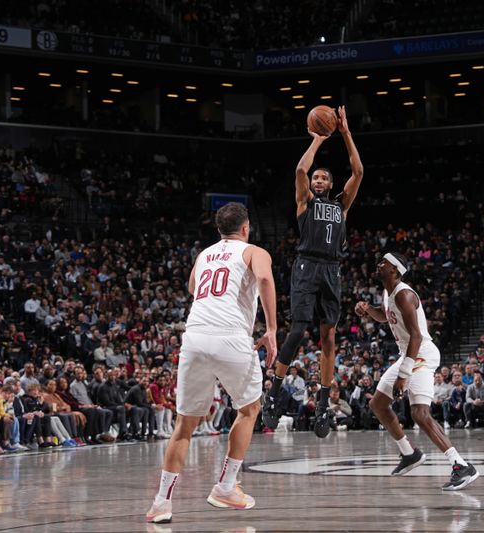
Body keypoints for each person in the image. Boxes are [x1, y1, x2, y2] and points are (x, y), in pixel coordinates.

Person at [147, 202, 277, 523]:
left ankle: (161, 503)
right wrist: (272, 329)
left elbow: (193, 287)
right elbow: (263, 279)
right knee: (249, 409)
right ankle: (226, 485)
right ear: (246, 228)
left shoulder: (204, 254)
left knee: (184, 425)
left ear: (219, 230)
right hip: (230, 335)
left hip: (195, 335)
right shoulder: (254, 251)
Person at [263, 105, 364, 438]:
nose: (318, 179)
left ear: (331, 184)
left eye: (324, 177)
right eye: (317, 177)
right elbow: (300, 171)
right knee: (298, 330)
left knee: (329, 337)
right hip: (307, 264)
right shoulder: (305, 200)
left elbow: (359, 172)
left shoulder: (341, 205)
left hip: (332, 270)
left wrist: (346, 133)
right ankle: (274, 391)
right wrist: (319, 139)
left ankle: (323, 403)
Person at [355, 253, 477, 491]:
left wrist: (404, 373)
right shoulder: (388, 293)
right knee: (378, 404)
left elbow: (417, 335)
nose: (378, 264)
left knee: (420, 413)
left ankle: (461, 465)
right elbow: (385, 316)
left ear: (395, 270)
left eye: (384, 262)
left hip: (421, 352)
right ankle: (409, 454)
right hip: (408, 354)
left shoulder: (404, 294)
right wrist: (369, 309)